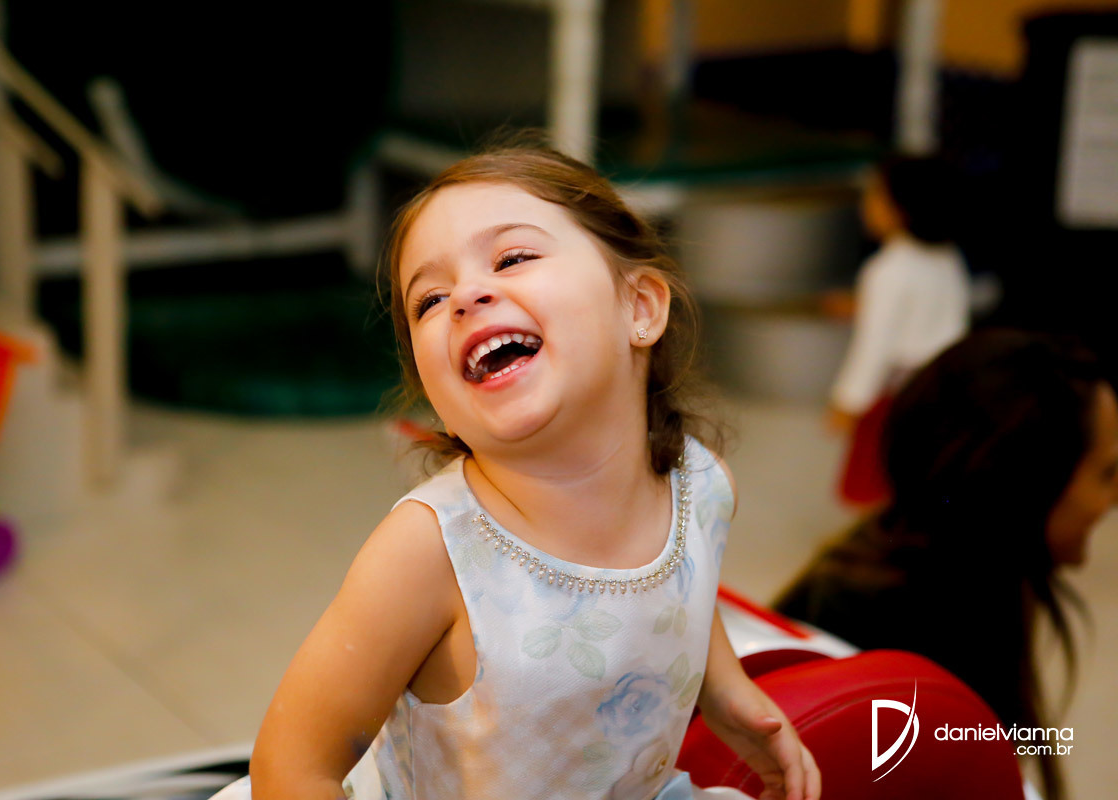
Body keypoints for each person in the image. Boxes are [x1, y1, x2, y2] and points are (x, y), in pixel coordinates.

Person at [219, 144, 821, 800]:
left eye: (512, 259)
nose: (465, 296)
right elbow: (291, 767)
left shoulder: (701, 486)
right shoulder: (428, 554)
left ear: (640, 307)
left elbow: (679, 589)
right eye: (429, 300)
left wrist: (725, 688)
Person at [776, 329, 1118, 800]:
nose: (1112, 499)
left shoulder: (939, 569)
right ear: (1026, 485)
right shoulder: (922, 662)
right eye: (1107, 472)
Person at [826, 155, 972, 507]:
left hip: (895, 396)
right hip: (945, 387)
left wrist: (849, 400)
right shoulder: (947, 257)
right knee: (925, 475)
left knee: (879, 481)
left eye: (876, 195)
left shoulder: (885, 270)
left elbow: (874, 346)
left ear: (901, 209)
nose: (866, 205)